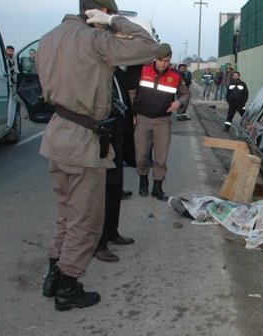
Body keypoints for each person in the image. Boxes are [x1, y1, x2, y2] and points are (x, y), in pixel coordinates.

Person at [37, 0, 158, 311]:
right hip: (83, 141)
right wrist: (115, 19)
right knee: (86, 220)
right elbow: (150, 47)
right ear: (99, 10)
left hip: (57, 134)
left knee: (66, 213)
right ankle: (68, 287)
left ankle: (53, 276)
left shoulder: (48, 38)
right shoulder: (94, 40)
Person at [133, 43, 190, 201]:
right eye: (160, 60)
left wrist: (179, 103)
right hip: (142, 119)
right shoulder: (143, 71)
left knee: (161, 157)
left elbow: (185, 94)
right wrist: (132, 113)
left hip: (162, 121)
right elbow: (131, 93)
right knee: (141, 156)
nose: (163, 64)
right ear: (155, 59)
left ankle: (157, 187)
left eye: (166, 60)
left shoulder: (176, 77)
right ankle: (143, 179)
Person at [94, 69, 137, 263]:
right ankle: (99, 243)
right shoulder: (95, 71)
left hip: (117, 138)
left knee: (114, 189)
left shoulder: (117, 72)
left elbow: (124, 101)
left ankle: (112, 232)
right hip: (101, 139)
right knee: (100, 194)